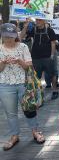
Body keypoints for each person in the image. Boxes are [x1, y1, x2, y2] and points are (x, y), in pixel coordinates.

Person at [0, 23, 45, 151]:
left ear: (16, 35)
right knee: (11, 113)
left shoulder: (23, 47)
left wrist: (20, 61)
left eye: (11, 36)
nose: (9, 39)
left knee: (29, 109)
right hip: (5, 85)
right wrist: (2, 63)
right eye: (6, 36)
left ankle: (35, 132)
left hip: (24, 83)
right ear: (2, 36)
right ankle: (15, 136)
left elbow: (29, 67)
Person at [20, 18, 58, 100]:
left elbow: (53, 43)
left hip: (47, 57)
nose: (37, 22)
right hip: (36, 57)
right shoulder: (33, 29)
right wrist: (25, 27)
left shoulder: (49, 30)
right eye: (36, 20)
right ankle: (37, 94)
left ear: (44, 21)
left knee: (52, 74)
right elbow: (21, 37)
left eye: (39, 20)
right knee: (36, 77)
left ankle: (55, 91)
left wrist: (52, 55)